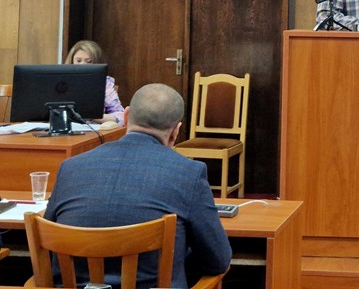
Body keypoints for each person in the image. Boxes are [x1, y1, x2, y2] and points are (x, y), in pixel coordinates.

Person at [44, 83, 232, 289]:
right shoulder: (189, 173)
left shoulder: (70, 167)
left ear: (126, 117)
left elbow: (48, 244)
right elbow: (218, 260)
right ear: (175, 131)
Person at [64, 39, 125, 126]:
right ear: (71, 61)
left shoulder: (105, 83)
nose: (82, 65)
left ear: (96, 63)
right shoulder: (61, 81)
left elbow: (121, 117)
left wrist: (91, 115)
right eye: (78, 61)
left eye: (89, 61)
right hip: (64, 128)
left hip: (93, 130)